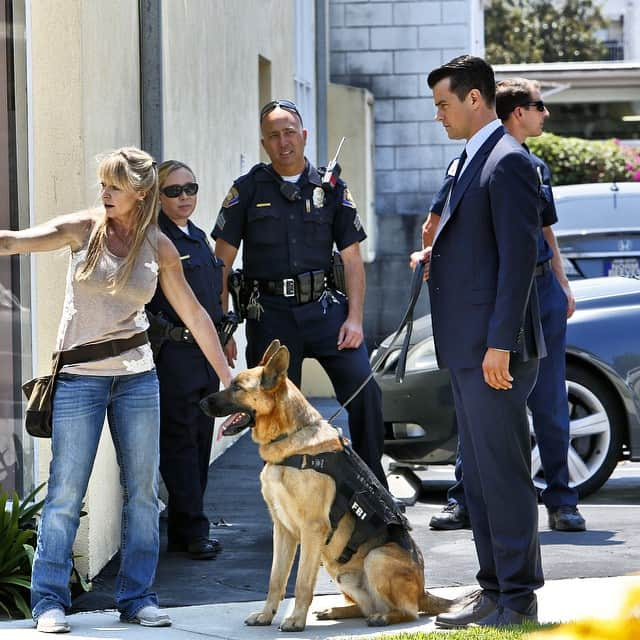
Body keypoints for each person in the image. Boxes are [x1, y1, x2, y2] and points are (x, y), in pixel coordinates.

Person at [0, 147, 233, 634]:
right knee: (66, 492)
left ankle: (137, 596)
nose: (104, 192)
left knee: (144, 494)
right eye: (102, 184)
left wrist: (229, 379)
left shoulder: (159, 247)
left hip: (137, 380)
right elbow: (12, 242)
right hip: (79, 381)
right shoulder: (83, 230)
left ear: (140, 192)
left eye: (114, 185)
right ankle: (48, 601)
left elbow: (195, 314)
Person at [416, 56, 545, 628]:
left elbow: (520, 262)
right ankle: (493, 589)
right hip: (468, 347)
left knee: (504, 473)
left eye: (444, 104)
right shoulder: (471, 158)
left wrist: (500, 344)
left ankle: (516, 599)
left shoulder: (509, 161)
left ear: (475, 98)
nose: (439, 115)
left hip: (496, 352)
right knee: (482, 478)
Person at [425, 78, 587, 534]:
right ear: (516, 111)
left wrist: (561, 282)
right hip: (501, 297)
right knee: (482, 409)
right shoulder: (470, 163)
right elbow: (436, 223)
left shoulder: (528, 166)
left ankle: (561, 498)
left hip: (537, 293)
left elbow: (543, 233)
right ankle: (466, 499)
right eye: (539, 106)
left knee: (550, 399)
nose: (545, 114)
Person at [211, 99, 387, 487]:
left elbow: (352, 260)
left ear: (304, 136)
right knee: (277, 413)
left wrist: (355, 319)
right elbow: (220, 263)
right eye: (273, 135)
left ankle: (375, 488)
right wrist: (223, 329)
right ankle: (288, 495)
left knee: (366, 392)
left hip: (325, 312)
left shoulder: (331, 188)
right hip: (269, 314)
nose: (283, 141)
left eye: (289, 133)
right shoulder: (246, 190)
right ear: (264, 143)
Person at [146, 160, 227, 560]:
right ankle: (193, 528)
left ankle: (185, 525)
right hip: (173, 356)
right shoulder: (156, 239)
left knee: (199, 441)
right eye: (174, 191)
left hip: (203, 358)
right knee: (179, 442)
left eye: (190, 189)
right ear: (158, 197)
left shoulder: (196, 237)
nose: (184, 198)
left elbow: (210, 300)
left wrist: (224, 341)